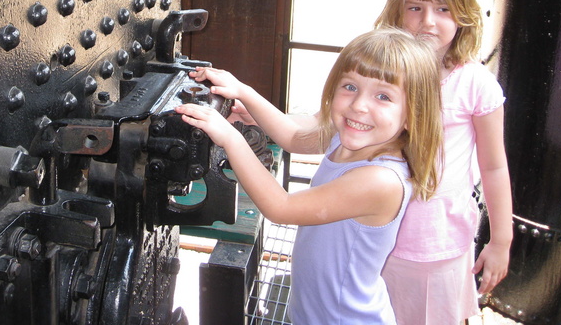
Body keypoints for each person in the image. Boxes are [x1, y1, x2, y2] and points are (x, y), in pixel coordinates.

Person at [175, 28, 444, 325]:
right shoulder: (345, 138)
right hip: (315, 312)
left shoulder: (380, 180)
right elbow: (293, 137)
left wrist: (230, 138)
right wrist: (243, 93)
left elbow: (282, 207)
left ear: (412, 114)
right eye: (350, 87)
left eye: (383, 96)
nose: (359, 105)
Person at [375, 0, 512, 325]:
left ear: (463, 17)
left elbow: (494, 167)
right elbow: (331, 124)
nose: (427, 23)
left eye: (443, 9)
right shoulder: (379, 71)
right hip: (375, 237)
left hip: (440, 245)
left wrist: (501, 241)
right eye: (415, 8)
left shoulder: (475, 84)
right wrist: (255, 113)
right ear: (396, 11)